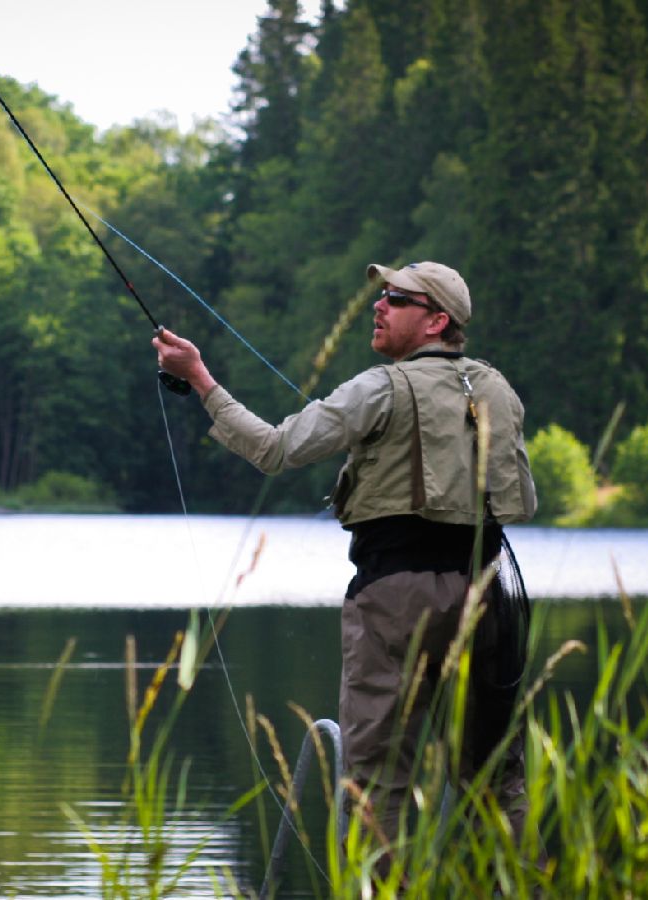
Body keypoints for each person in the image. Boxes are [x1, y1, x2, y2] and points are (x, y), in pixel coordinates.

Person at [152, 261, 537, 847]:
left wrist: (201, 379)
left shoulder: (380, 387)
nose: (378, 306)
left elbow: (274, 449)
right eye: (381, 295)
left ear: (437, 321)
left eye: (397, 298)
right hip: (489, 597)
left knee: (377, 780)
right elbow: (519, 500)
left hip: (395, 597)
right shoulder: (499, 390)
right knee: (495, 776)